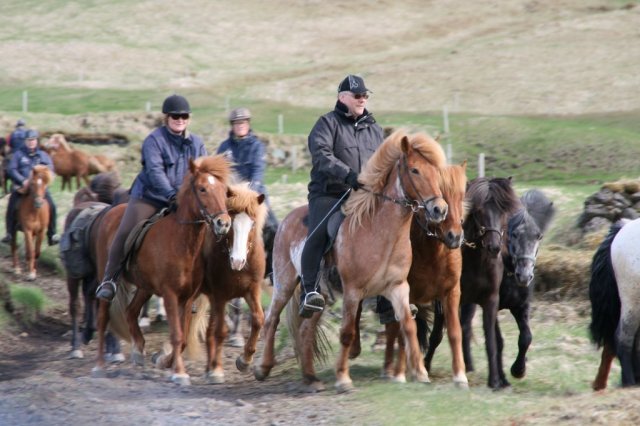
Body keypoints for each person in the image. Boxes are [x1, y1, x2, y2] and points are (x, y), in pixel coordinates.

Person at [95, 94, 207, 302]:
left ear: (188, 118)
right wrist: (171, 194)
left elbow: (203, 172)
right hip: (150, 197)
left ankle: (202, 284)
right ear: (167, 117)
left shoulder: (197, 143)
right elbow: (155, 172)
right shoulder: (154, 141)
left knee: (210, 229)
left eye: (183, 116)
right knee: (126, 231)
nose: (179, 119)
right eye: (175, 116)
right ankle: (110, 279)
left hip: (183, 200)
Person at [299, 75, 384, 318]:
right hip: (330, 192)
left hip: (365, 195)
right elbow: (322, 155)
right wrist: (347, 175)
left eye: (365, 95)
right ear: (342, 97)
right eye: (358, 95)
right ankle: (309, 291)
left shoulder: (375, 130)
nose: (362, 99)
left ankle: (385, 298)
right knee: (319, 231)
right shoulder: (326, 123)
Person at [216, 107, 279, 274]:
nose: (240, 126)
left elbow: (257, 173)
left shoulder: (257, 146)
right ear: (232, 125)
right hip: (230, 200)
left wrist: (245, 195)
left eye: (243, 122)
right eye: (237, 123)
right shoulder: (224, 147)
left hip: (253, 197)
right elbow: (221, 175)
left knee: (274, 228)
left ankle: (271, 270)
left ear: (248, 124)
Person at [2, 129, 60, 246]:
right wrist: (22, 180)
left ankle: (52, 234)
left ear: (36, 141)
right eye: (28, 140)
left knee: (52, 206)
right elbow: (11, 169)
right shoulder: (18, 154)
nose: (31, 143)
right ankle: (10, 233)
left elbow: (51, 169)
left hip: (39, 189)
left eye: (33, 140)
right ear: (25, 141)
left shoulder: (43, 155)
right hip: (22, 187)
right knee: (12, 205)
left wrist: (47, 179)